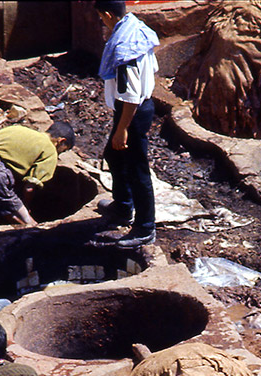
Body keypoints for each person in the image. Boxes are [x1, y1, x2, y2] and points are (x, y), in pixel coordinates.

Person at [92, 0, 159, 248]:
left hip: (133, 111)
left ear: (108, 15)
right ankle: (122, 206)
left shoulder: (125, 48)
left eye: (101, 17)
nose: (102, 22)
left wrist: (122, 130)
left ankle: (145, 227)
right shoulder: (135, 27)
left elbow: (130, 96)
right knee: (113, 155)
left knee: (136, 168)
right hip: (135, 107)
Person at [0, 120, 75, 226]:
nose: (59, 154)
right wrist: (25, 206)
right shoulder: (50, 150)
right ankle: (38, 236)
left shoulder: (16, 129)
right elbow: (29, 188)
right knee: (21, 217)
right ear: (61, 141)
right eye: (63, 150)